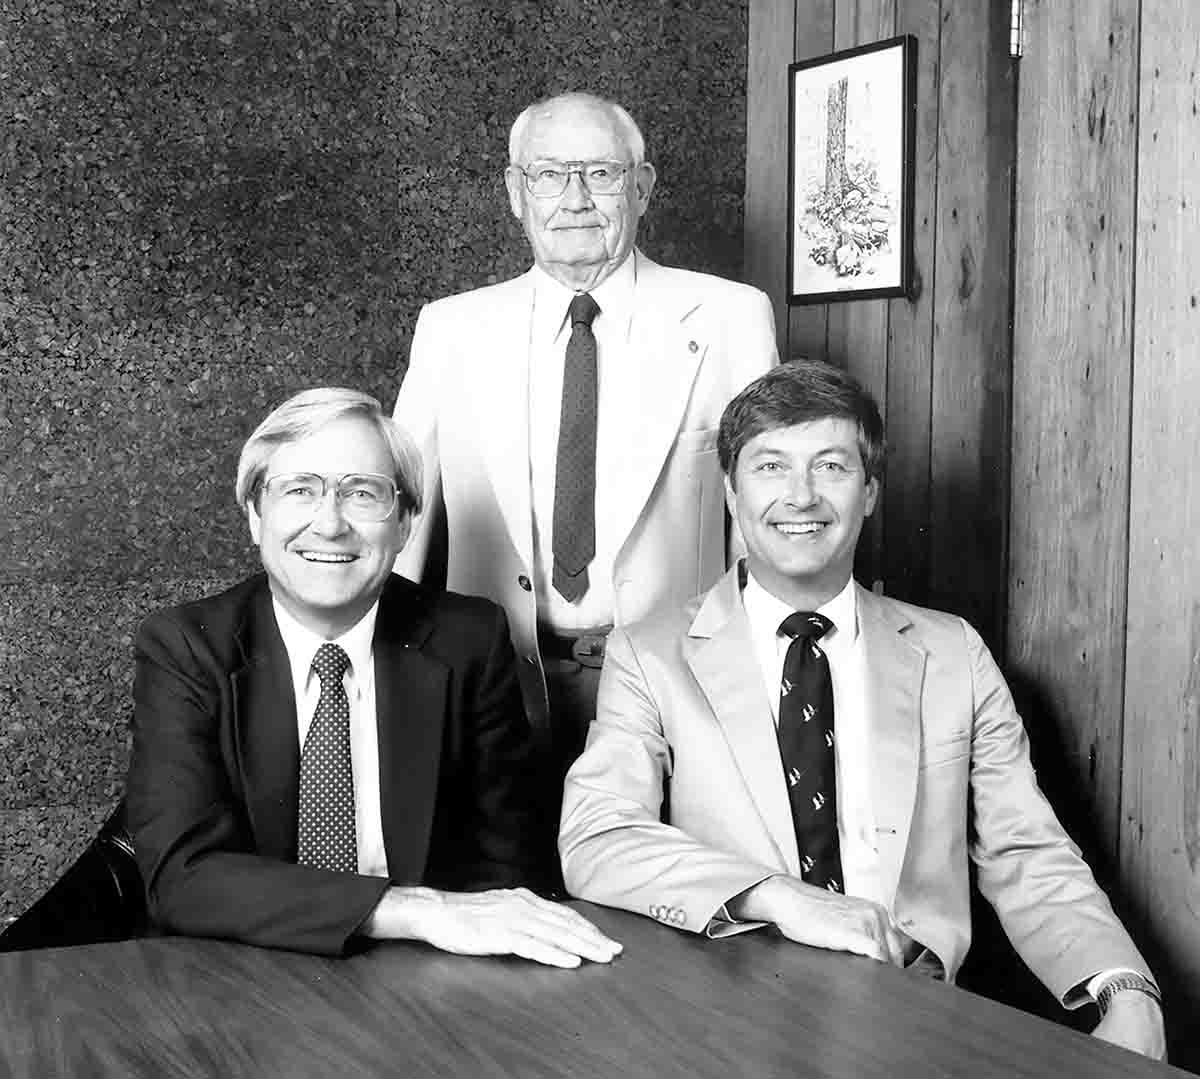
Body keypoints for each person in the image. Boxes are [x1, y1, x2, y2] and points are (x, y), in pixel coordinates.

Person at [559, 361, 1165, 1059]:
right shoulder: (652, 655)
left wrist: (1125, 990)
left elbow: (1027, 852)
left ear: (870, 489)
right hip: (728, 1028)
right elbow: (597, 838)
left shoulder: (952, 653)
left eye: (832, 466)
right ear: (730, 490)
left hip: (921, 1024)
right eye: (770, 467)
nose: (801, 495)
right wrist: (777, 896)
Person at [126, 388, 620, 968]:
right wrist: (415, 910)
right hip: (242, 971)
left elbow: (505, 863)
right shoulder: (186, 647)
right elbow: (182, 877)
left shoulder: (469, 642)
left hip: (421, 976)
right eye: (299, 490)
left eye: (362, 493)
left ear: (407, 522)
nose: (330, 524)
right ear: (255, 517)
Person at [393, 91, 778, 785]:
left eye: (600, 173)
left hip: (675, 686)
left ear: (642, 187)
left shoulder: (729, 318)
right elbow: (402, 516)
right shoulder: (451, 328)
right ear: (516, 191)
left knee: (647, 886)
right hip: (490, 687)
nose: (575, 198)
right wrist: (386, 675)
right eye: (549, 174)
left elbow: (761, 521)